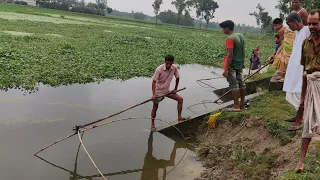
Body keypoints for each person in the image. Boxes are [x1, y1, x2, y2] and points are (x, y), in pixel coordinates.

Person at [296, 9, 320, 173]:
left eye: (315, 23)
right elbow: (305, 72)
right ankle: (301, 161)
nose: (311, 26)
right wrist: (302, 99)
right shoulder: (305, 43)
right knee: (308, 124)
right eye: (310, 23)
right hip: (311, 86)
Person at [282, 13, 310, 131]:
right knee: (292, 92)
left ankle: (302, 119)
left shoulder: (307, 30)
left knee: (300, 93)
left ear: (294, 21)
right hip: (295, 69)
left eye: (289, 25)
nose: (290, 28)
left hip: (303, 69)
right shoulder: (298, 33)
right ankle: (298, 115)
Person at [151, 55, 187, 131]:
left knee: (180, 99)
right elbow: (154, 82)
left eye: (170, 64)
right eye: (167, 63)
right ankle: (152, 124)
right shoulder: (159, 69)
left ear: (172, 63)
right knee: (155, 107)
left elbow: (177, 77)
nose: (168, 65)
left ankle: (179, 117)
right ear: (165, 62)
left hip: (167, 91)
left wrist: (175, 89)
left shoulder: (174, 67)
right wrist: (154, 94)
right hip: (158, 91)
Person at [219, 20, 246, 111]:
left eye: (222, 28)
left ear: (227, 28)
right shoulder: (240, 35)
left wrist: (226, 69)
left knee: (234, 85)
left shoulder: (230, 38)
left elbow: (230, 55)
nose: (222, 30)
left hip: (232, 65)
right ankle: (242, 104)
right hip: (240, 64)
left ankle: (236, 106)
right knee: (241, 84)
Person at [272, 18, 296, 83]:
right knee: (284, 61)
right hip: (291, 46)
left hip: (286, 47)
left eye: (276, 26)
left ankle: (285, 76)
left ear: (280, 24)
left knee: (283, 61)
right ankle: (283, 75)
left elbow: (281, 41)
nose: (275, 28)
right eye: (274, 26)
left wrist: (278, 51)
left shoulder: (281, 31)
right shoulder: (287, 28)